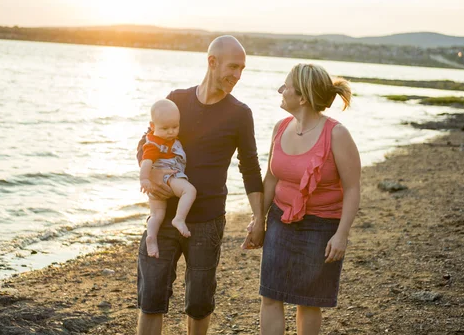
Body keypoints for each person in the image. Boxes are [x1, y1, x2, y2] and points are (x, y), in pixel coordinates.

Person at [136, 35, 265, 335]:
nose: (238, 75)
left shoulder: (240, 113)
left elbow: (250, 167)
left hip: (207, 223)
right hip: (165, 217)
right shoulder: (177, 99)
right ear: (211, 62)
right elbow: (147, 143)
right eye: (233, 67)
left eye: (242, 68)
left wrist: (259, 218)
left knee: (199, 301)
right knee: (152, 298)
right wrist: (152, 177)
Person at [258, 63, 361, 335]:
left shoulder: (337, 134)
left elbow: (352, 188)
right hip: (280, 219)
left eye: (286, 86)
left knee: (308, 301)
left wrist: (341, 235)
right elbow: (271, 178)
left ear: (302, 97)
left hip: (322, 225)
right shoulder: (280, 128)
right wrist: (258, 219)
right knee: (270, 295)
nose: (281, 90)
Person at [139, 99, 196, 259]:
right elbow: (146, 162)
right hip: (168, 176)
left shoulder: (165, 139)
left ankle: (151, 236)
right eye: (165, 128)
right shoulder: (154, 144)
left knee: (156, 214)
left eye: (175, 127)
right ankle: (179, 219)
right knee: (189, 190)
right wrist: (144, 178)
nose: (171, 132)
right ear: (152, 126)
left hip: (155, 187)